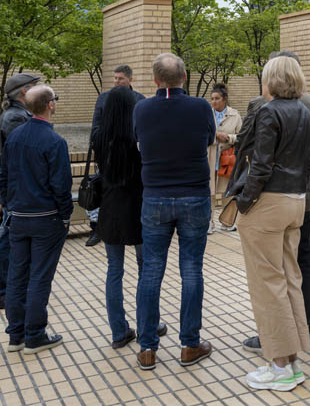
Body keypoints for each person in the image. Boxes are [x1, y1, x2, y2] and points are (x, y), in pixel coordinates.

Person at [233, 54, 310, 391]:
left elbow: (261, 164)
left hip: (268, 203)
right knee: (289, 279)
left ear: (272, 80)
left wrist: (244, 200)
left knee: (267, 284)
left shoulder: (269, 112)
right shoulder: (306, 111)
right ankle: (291, 361)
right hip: (296, 201)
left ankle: (280, 365)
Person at [133, 53, 215, 371]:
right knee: (191, 270)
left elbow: (138, 140)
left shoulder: (142, 109)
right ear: (184, 77)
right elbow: (209, 139)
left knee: (151, 271)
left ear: (155, 80)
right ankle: (189, 344)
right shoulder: (201, 107)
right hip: (194, 195)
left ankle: (147, 348)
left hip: (155, 196)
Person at [0, 85, 72, 354]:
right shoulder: (55, 142)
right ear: (50, 105)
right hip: (46, 218)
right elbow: (61, 185)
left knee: (17, 275)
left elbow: (2, 176)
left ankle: (16, 334)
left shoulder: (15, 136)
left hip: (18, 217)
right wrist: (65, 215)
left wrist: (9, 205)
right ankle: (35, 334)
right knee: (39, 276)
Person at [93, 85, 168, 349]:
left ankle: (118, 331)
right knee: (145, 270)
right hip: (138, 210)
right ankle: (149, 324)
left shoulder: (99, 138)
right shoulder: (139, 137)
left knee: (114, 270)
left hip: (110, 211)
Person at [0, 71, 40, 311]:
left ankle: (3, 290)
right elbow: (23, 157)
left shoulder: (17, 115)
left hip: (13, 186)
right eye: (34, 86)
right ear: (24, 92)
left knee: (8, 238)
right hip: (16, 188)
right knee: (7, 241)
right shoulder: (16, 118)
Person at [87, 65, 146, 247]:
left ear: (130, 79)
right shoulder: (104, 98)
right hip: (110, 160)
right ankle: (96, 229)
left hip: (131, 163)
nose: (116, 81)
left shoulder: (140, 99)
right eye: (115, 78)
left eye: (120, 78)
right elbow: (96, 126)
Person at [209, 83, 243, 207]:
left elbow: (242, 137)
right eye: (212, 99)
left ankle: (224, 216)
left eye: (217, 98)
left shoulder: (235, 115)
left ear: (224, 99)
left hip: (227, 159)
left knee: (225, 191)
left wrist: (229, 138)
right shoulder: (207, 114)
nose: (214, 101)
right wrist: (216, 135)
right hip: (210, 157)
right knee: (210, 190)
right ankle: (211, 217)